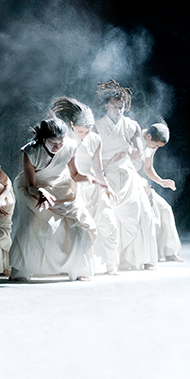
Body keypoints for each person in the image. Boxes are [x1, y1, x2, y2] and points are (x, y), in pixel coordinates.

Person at [9, 117, 97, 282]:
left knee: (75, 224)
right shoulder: (30, 151)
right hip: (33, 190)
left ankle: (77, 269)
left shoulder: (70, 146)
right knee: (30, 227)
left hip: (60, 186)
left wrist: (92, 178)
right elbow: (30, 185)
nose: (58, 147)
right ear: (44, 139)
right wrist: (40, 191)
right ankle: (22, 271)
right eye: (53, 143)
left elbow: (75, 175)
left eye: (61, 142)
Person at [50, 97, 120, 275]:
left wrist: (108, 188)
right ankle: (68, 267)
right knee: (74, 231)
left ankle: (112, 266)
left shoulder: (95, 139)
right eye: (81, 131)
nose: (84, 134)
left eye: (88, 130)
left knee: (109, 224)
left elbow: (98, 169)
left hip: (93, 188)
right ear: (72, 124)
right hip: (72, 189)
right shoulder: (63, 140)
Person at [93, 79, 158, 271]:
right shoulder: (97, 126)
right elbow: (92, 158)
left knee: (143, 212)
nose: (118, 110)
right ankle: (110, 259)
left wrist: (134, 154)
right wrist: (112, 160)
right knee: (107, 214)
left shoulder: (132, 126)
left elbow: (138, 154)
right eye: (114, 106)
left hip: (127, 174)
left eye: (121, 107)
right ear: (106, 105)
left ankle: (135, 257)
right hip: (105, 173)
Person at [132, 122, 183, 262]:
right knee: (149, 212)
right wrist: (139, 183)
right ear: (148, 136)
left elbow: (148, 168)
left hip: (139, 182)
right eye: (155, 146)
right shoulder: (133, 138)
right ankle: (145, 255)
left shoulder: (151, 145)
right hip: (125, 181)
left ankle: (170, 252)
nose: (155, 148)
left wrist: (161, 181)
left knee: (165, 208)